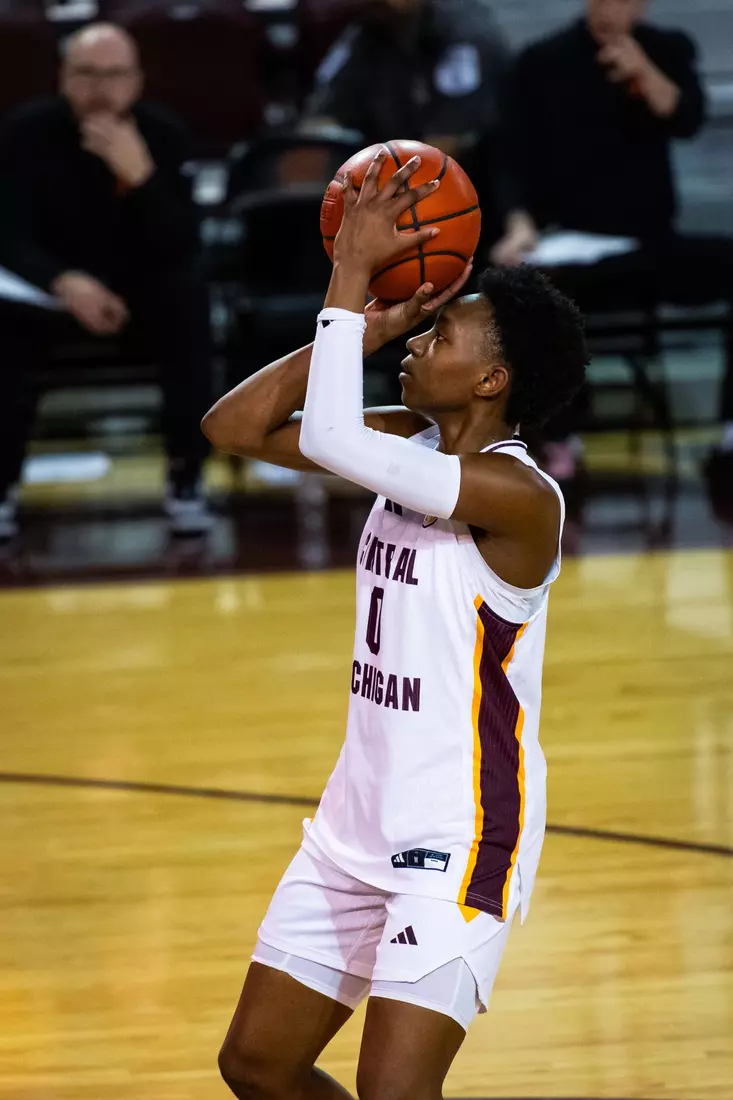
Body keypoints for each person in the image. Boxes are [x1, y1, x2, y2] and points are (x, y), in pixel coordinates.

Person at [202, 150, 588, 1098]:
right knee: (257, 1064)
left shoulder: (518, 496)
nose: (415, 342)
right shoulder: (402, 442)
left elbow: (327, 435)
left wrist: (349, 275)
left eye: (437, 332)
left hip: (458, 836)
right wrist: (364, 327)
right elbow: (233, 428)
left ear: (491, 379)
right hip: (354, 820)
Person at [490, 0, 733, 488]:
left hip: (650, 246)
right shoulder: (543, 61)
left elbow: (686, 117)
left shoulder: (666, 48)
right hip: (570, 245)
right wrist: (518, 224)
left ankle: (730, 432)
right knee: (527, 292)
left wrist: (642, 68)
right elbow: (509, 155)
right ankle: (558, 437)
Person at [0, 23, 213, 540]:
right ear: (63, 78)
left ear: (136, 81)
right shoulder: (25, 132)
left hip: (140, 296)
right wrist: (64, 282)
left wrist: (141, 178)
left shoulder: (163, 134)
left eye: (115, 75)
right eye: (86, 74)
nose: (101, 88)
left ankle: (187, 477)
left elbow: (183, 241)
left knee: (189, 301)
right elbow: (7, 234)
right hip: (51, 295)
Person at [303, 0, 510, 165]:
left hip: (468, 185)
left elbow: (448, 141)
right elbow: (320, 120)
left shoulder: (465, 34)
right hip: (389, 174)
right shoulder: (366, 32)